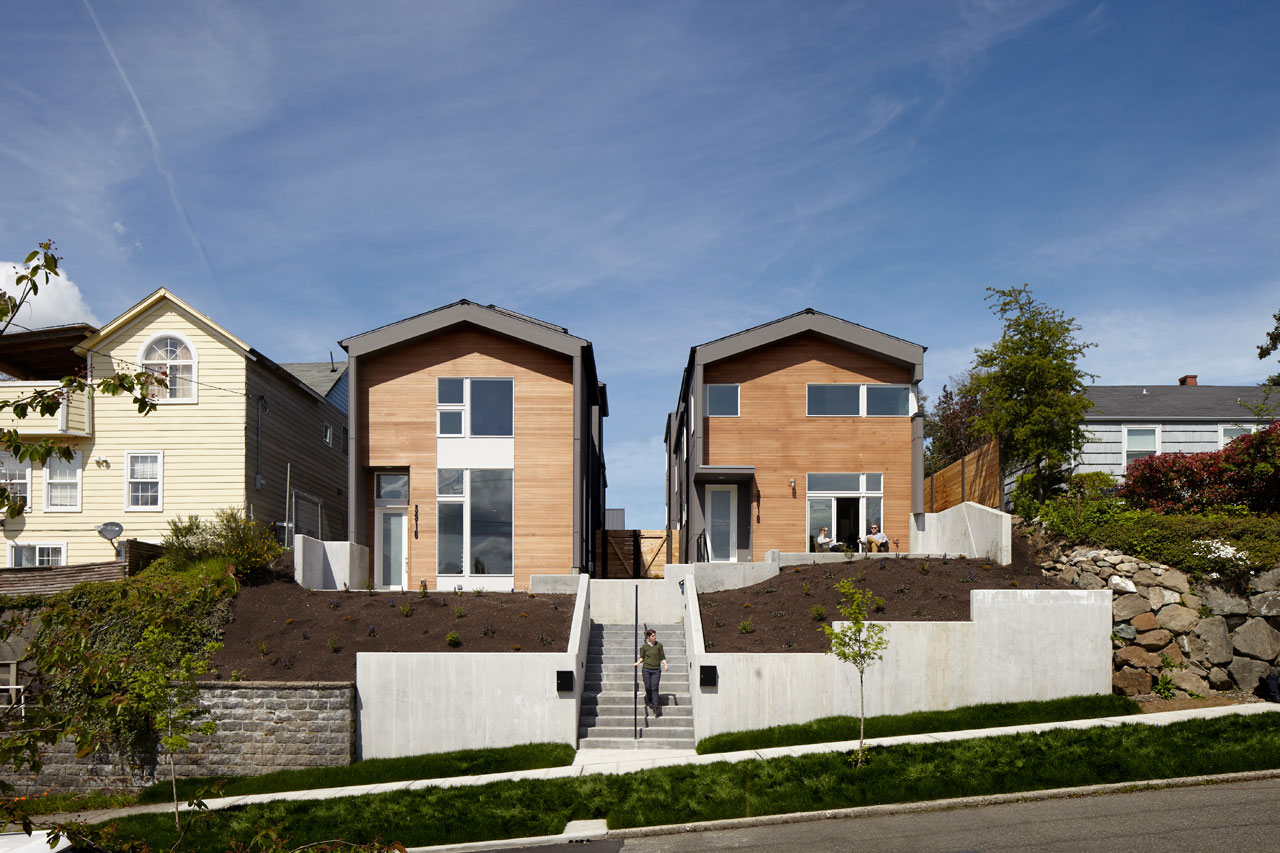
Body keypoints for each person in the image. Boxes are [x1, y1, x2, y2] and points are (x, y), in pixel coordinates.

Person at [633, 628, 668, 716]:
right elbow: (642, 657)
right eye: (652, 636)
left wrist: (665, 664)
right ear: (648, 637)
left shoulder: (659, 645)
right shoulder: (644, 646)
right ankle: (650, 701)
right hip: (646, 669)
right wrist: (638, 662)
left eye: (655, 635)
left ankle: (655, 706)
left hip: (656, 669)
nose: (654, 637)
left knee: (655, 687)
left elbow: (662, 656)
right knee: (648, 686)